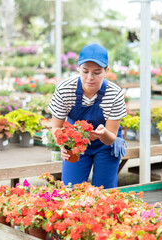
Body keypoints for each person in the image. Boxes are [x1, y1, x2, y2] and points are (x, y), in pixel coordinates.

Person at [48, 43, 127, 189]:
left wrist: (102, 134)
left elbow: (111, 137)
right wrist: (63, 145)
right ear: (78, 68)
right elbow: (56, 127)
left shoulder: (114, 93)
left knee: (104, 192)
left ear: (106, 71)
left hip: (106, 145)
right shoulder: (65, 89)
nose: (90, 78)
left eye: (97, 72)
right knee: (70, 189)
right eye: (85, 71)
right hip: (75, 143)